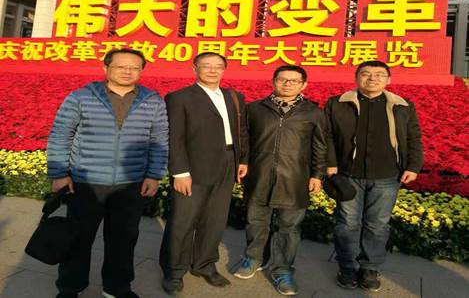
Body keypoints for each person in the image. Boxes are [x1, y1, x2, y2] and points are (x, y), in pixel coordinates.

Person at [47, 48, 169, 298]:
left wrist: (154, 175)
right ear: (106, 68)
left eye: (134, 67)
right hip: (86, 182)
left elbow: (159, 141)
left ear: (141, 71)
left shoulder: (153, 100)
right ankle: (70, 287)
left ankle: (117, 287)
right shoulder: (81, 97)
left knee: (123, 240)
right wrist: (59, 173)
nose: (127, 71)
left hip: (130, 183)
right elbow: (61, 135)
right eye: (121, 66)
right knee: (78, 239)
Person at [325, 60, 423, 292]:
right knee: (347, 223)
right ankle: (347, 267)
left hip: (387, 176)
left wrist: (413, 166)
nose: (372, 78)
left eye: (379, 74)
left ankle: (369, 268)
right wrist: (330, 164)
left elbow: (413, 137)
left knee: (378, 225)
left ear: (388, 79)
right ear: (356, 77)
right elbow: (326, 135)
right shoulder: (338, 104)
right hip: (348, 175)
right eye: (366, 73)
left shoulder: (402, 105)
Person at [159, 52, 249, 295]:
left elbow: (241, 131)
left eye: (218, 66)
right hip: (194, 167)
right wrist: (179, 172)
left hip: (228, 163)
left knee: (215, 220)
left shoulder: (234, 97)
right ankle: (174, 271)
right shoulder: (179, 98)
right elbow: (174, 137)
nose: (212, 70)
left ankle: (204, 264)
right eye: (206, 66)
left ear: (224, 70)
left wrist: (243, 159)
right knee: (183, 221)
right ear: (194, 68)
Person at [233, 65, 328, 296]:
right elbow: (245, 140)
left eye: (294, 81)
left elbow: (320, 146)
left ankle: (282, 269)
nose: (287, 84)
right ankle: (253, 258)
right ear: (273, 81)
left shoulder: (313, 112)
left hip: (294, 178)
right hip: (260, 175)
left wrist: (317, 175)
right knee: (256, 221)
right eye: (282, 79)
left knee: (289, 227)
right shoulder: (255, 108)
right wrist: (243, 162)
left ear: (304, 85)